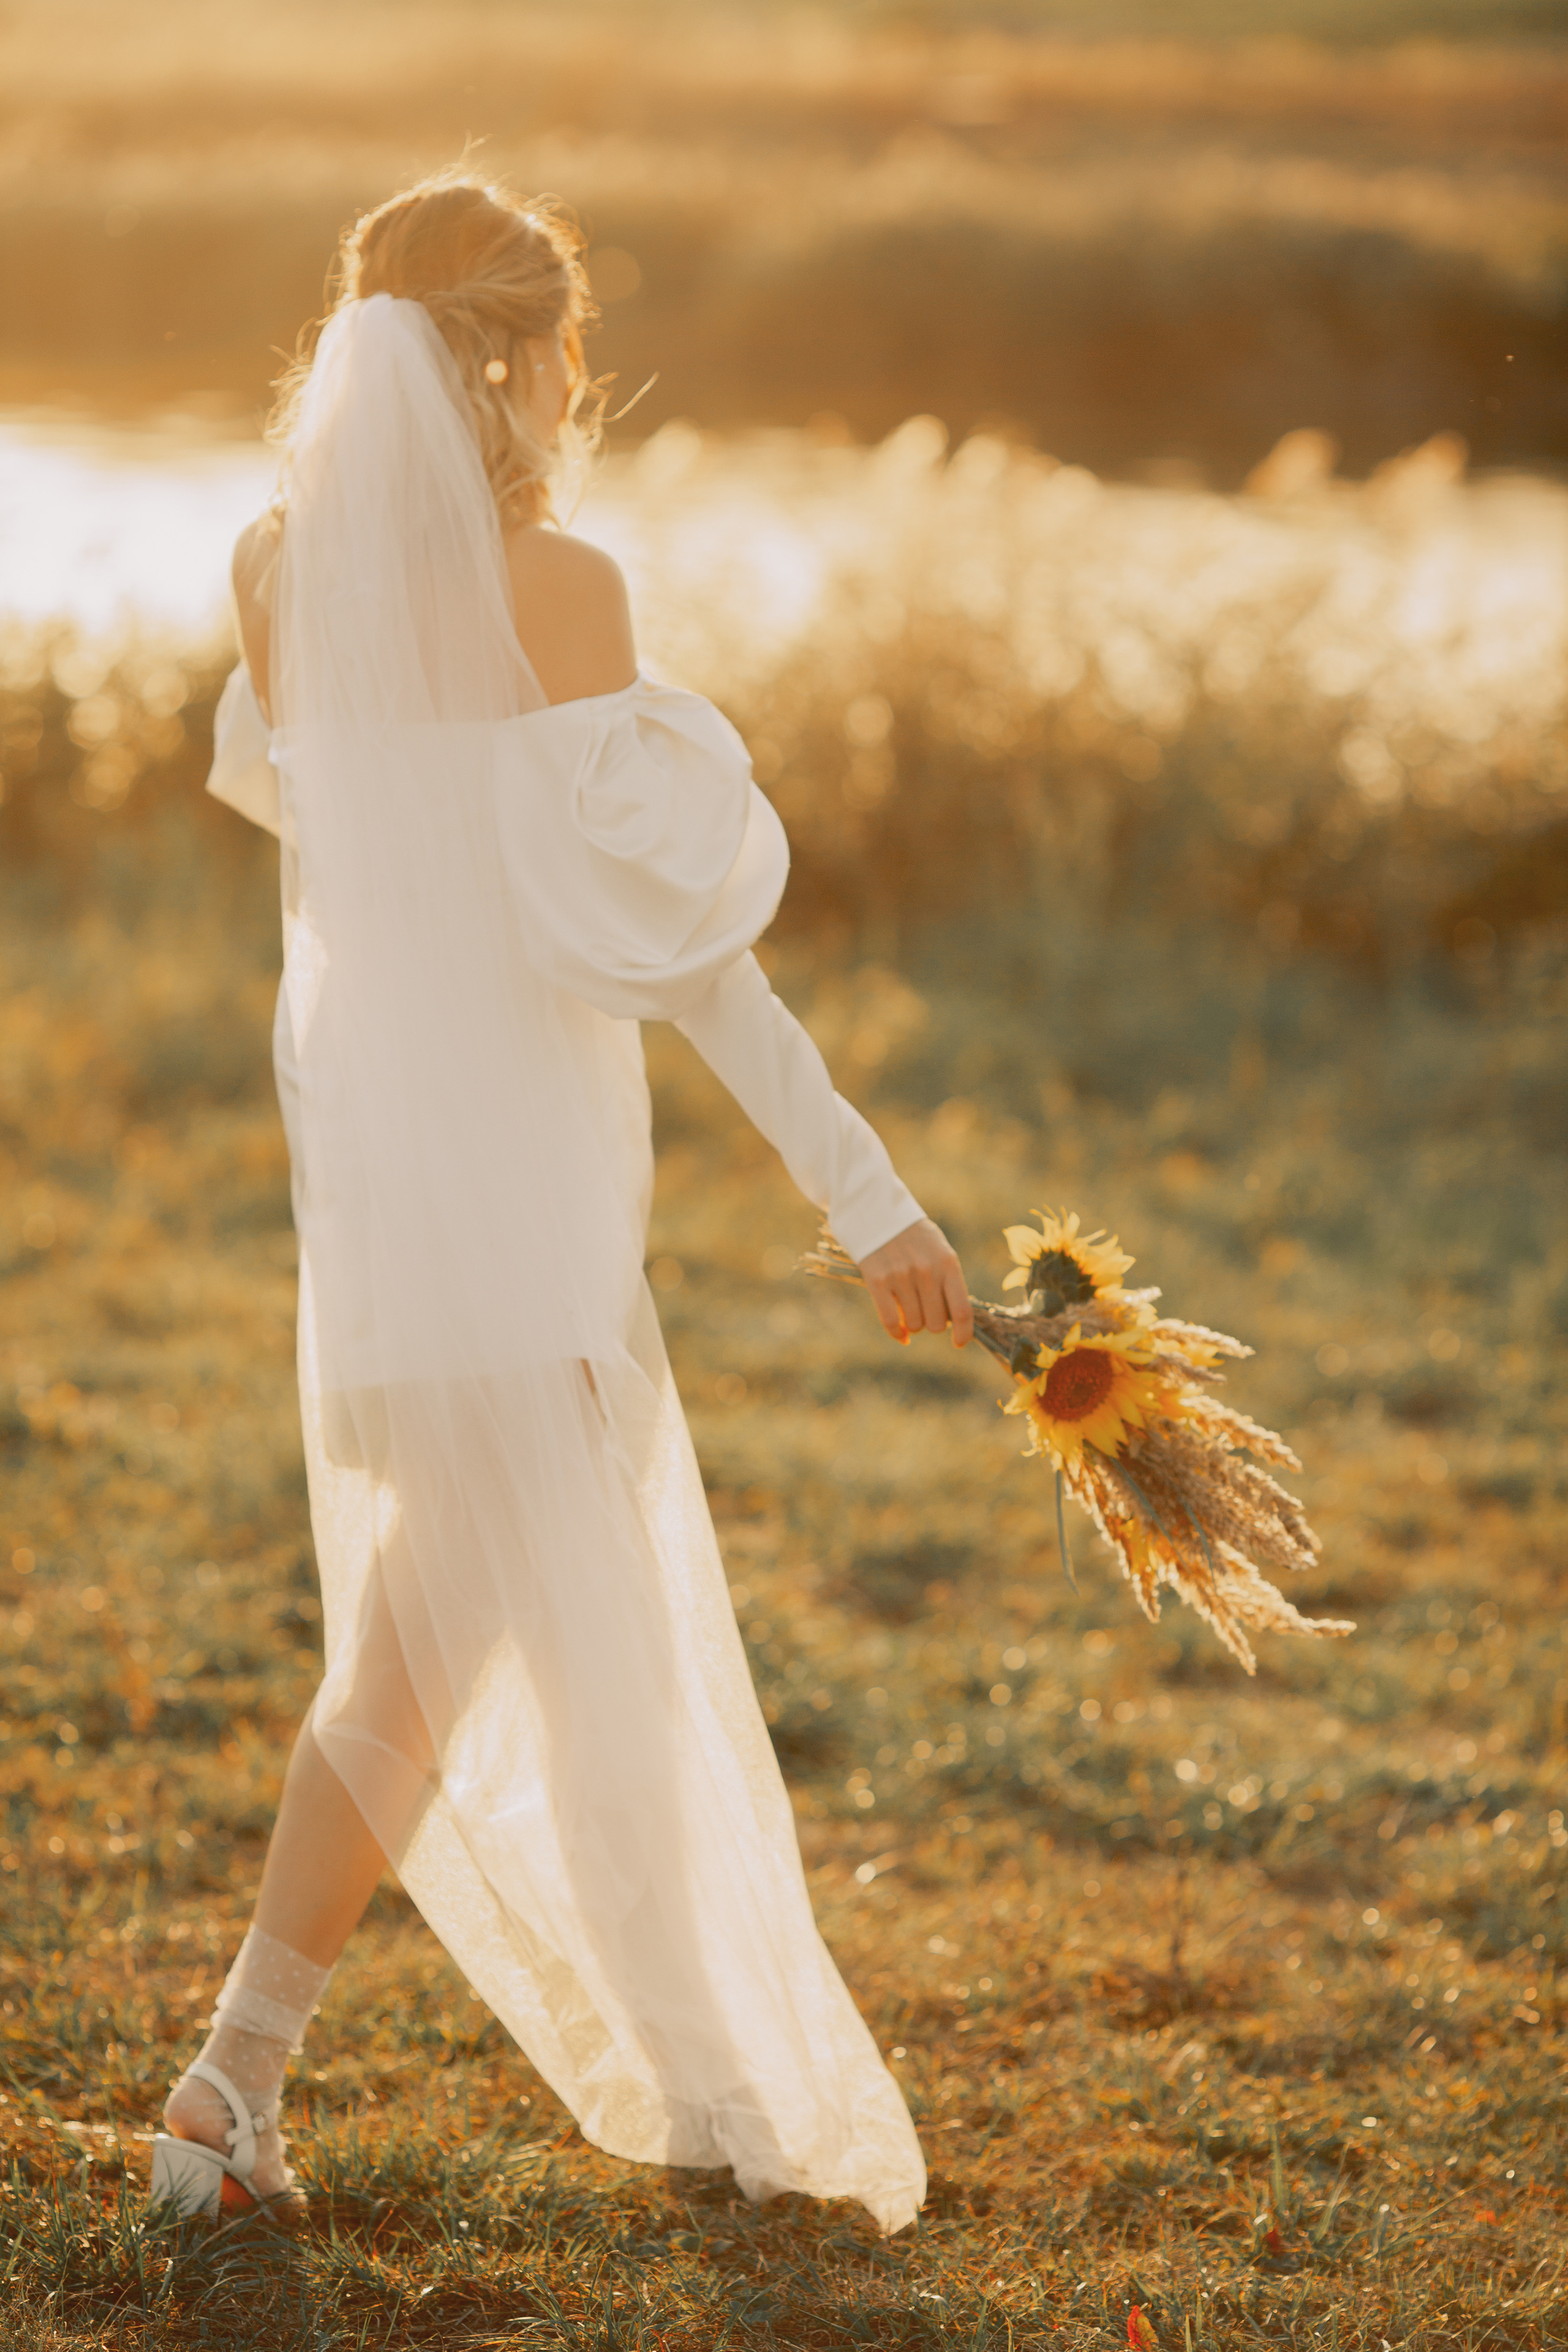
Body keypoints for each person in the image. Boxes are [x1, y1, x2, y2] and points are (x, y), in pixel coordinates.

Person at [151, 172, 971, 2237]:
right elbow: (692, 956)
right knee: (433, 1664)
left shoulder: (274, 573)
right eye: (558, 345)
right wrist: (870, 1197)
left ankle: (680, 2075)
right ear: (518, 363)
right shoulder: (563, 594)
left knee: (520, 1641)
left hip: (388, 1195)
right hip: (517, 1189)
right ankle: (227, 2089)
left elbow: (293, 814)